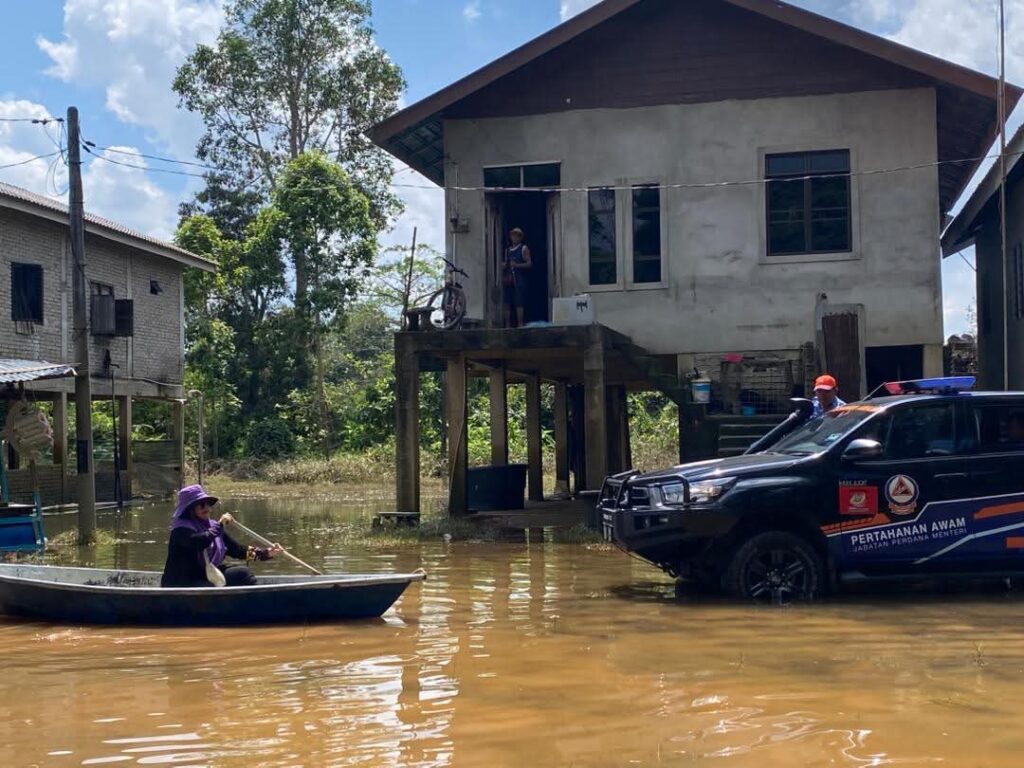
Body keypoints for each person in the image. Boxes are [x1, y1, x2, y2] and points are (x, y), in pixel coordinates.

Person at [161, 484, 283, 588]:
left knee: (242, 573)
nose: (207, 508)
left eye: (208, 504)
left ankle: (254, 601)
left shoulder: (212, 526)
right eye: (201, 505)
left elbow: (236, 550)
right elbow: (200, 542)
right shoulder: (180, 530)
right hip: (182, 582)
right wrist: (219, 525)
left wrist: (264, 553)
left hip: (205, 576)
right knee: (209, 588)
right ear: (189, 510)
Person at [503, 227, 532, 327]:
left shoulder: (523, 248)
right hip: (508, 278)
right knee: (507, 301)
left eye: (517, 235)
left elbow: (529, 264)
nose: (514, 237)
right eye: (513, 235)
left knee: (518, 302)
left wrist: (517, 265)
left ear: (520, 237)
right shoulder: (507, 250)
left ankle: (520, 324)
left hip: (519, 278)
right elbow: (505, 263)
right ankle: (507, 325)